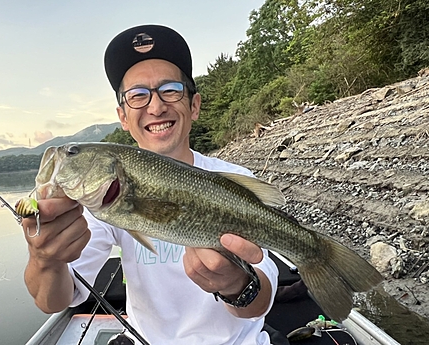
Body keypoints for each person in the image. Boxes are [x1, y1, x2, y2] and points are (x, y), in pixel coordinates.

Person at [22, 24, 279, 345]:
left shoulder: (236, 181)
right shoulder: (103, 203)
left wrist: (237, 286)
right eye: (138, 95)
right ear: (123, 117)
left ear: (194, 105)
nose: (156, 107)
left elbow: (260, 305)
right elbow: (54, 301)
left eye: (170, 90)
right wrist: (44, 258)